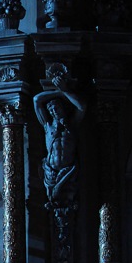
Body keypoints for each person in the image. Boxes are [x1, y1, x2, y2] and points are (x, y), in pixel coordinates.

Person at [33, 71, 85, 209]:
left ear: (62, 108)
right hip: (51, 171)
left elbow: (81, 107)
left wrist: (65, 91)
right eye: (51, 110)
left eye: (56, 108)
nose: (53, 112)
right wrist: (58, 92)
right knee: (53, 201)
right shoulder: (48, 126)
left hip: (68, 170)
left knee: (69, 199)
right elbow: (36, 100)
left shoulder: (71, 125)